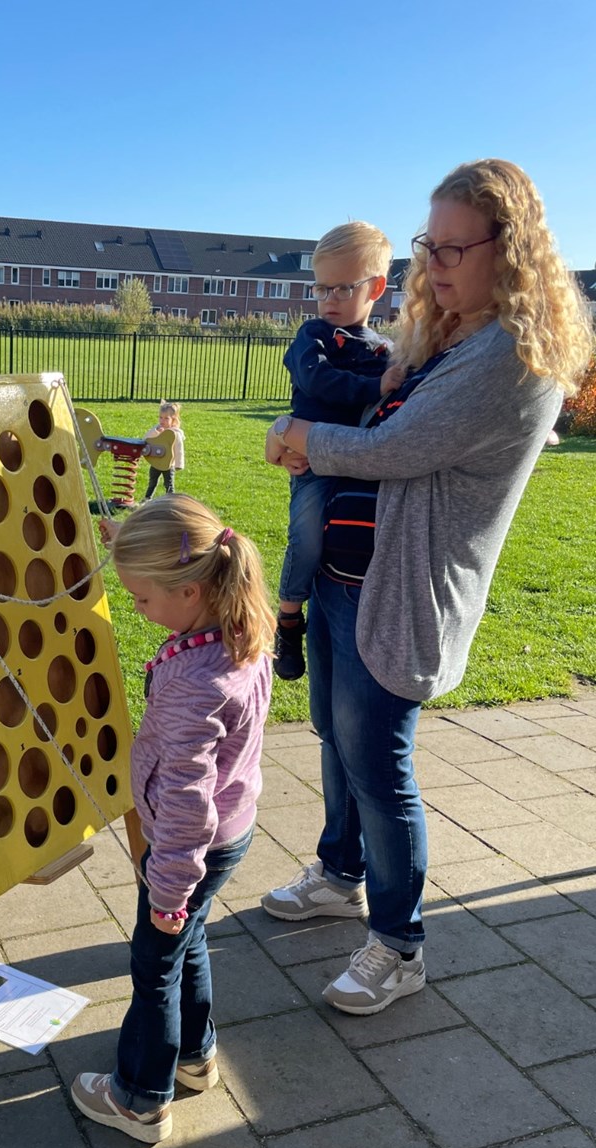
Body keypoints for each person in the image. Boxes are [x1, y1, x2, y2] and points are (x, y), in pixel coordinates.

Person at [261, 159, 592, 1016]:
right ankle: (340, 873)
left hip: (400, 594)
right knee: (334, 746)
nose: (432, 264)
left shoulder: (509, 356)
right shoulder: (446, 336)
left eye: (452, 247)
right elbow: (374, 412)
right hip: (345, 577)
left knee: (379, 767)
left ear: (510, 250)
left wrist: (301, 435)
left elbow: (395, 450)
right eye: (425, 245)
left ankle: (399, 943)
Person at [72, 495, 275, 1142]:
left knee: (155, 961)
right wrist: (127, 541)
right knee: (189, 945)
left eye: (141, 598)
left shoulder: (195, 682)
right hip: (229, 832)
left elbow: (188, 801)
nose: (137, 608)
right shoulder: (240, 628)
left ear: (190, 591)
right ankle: (195, 1055)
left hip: (189, 848)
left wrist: (167, 890)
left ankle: (140, 1096)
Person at [274, 223, 405, 681]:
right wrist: (374, 385)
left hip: (358, 465)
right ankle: (288, 617)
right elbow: (317, 381)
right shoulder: (313, 337)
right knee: (306, 535)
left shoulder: (386, 349)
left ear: (376, 288)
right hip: (311, 460)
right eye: (321, 287)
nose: (329, 299)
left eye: (342, 288)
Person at [142, 400, 186, 500]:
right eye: (161, 417)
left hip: (169, 464)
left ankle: (170, 500)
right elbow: (145, 439)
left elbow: (179, 450)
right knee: (152, 481)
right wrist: (155, 432)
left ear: (173, 420)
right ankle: (147, 498)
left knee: (169, 483)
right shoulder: (157, 429)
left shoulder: (175, 434)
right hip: (156, 461)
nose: (162, 421)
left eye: (166, 418)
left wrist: (179, 464)